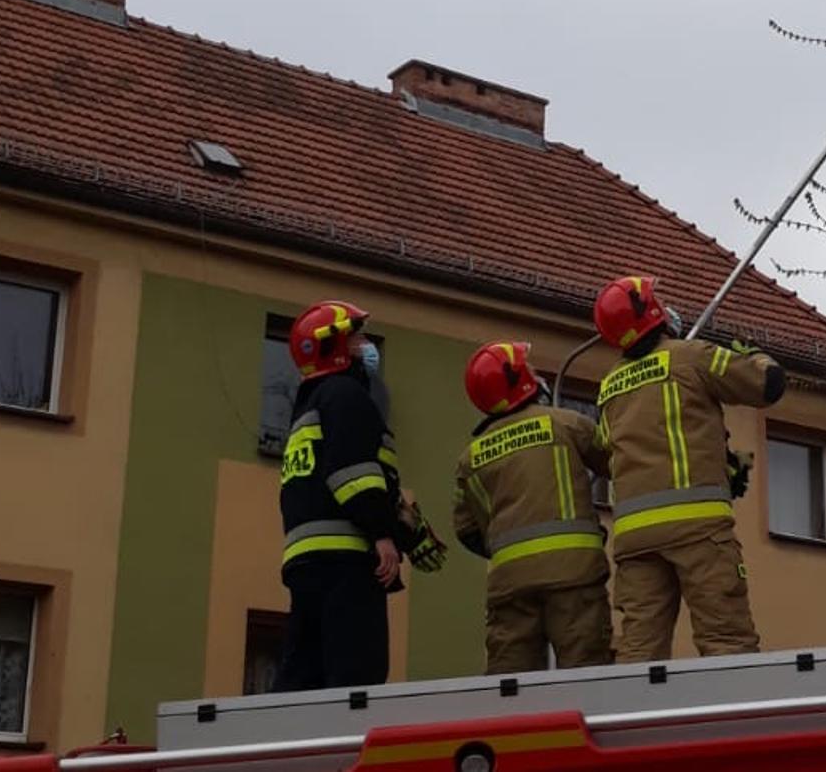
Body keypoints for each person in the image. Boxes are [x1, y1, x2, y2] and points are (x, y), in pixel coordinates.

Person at [592, 276, 786, 662]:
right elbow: (768, 386)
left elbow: (612, 455)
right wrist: (754, 355)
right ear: (654, 312)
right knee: (725, 640)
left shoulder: (609, 387)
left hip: (634, 539)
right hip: (698, 529)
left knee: (639, 651)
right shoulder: (691, 356)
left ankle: (634, 704)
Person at [274, 300, 445, 691]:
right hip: (347, 562)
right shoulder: (346, 395)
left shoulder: (308, 408)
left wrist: (406, 531)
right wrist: (381, 534)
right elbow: (353, 475)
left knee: (304, 676)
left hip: (306, 564)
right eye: (356, 337)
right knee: (356, 675)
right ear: (334, 346)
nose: (365, 345)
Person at [452, 340, 615, 673]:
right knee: (585, 670)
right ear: (520, 380)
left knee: (511, 681)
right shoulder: (565, 424)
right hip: (573, 573)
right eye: (530, 368)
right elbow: (618, 461)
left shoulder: (471, 459)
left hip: (509, 585)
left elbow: (466, 529)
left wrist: (509, 551)